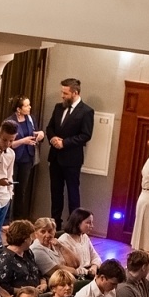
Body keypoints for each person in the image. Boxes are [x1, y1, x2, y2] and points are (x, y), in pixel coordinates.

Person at [44, 78, 94, 225]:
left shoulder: (86, 111)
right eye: (62, 92)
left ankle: (74, 225)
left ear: (75, 93)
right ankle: (55, 223)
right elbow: (50, 127)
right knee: (56, 192)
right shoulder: (58, 107)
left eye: (65, 93)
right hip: (55, 158)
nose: (62, 96)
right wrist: (53, 139)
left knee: (73, 193)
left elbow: (86, 135)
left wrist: (64, 143)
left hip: (72, 159)